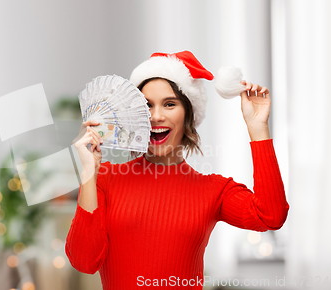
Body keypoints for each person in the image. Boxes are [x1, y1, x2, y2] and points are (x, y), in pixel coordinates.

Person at [66, 51, 290, 290]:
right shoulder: (104, 178)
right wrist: (89, 171)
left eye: (170, 104)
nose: (156, 116)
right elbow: (84, 261)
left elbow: (271, 215)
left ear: (188, 116)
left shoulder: (213, 190)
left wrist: (258, 128)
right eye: (146, 106)